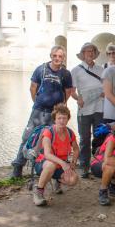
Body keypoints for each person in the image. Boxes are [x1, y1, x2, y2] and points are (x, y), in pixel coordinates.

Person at [11, 45, 73, 178]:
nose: (57, 58)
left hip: (54, 115)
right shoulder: (41, 69)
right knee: (27, 137)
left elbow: (68, 91)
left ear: (63, 58)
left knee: (51, 140)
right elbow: (33, 87)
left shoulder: (65, 74)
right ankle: (18, 165)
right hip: (38, 111)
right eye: (55, 56)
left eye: (60, 56)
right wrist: (37, 101)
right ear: (51, 56)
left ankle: (43, 167)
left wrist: (60, 105)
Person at [33, 104, 79, 206]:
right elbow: (47, 154)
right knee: (51, 165)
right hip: (43, 163)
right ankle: (39, 191)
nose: (62, 121)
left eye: (64, 118)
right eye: (59, 118)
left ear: (68, 119)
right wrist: (63, 163)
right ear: (54, 119)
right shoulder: (49, 132)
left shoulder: (70, 133)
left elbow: (76, 149)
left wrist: (73, 162)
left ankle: (57, 180)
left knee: (73, 179)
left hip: (60, 165)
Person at [71, 42, 104, 178]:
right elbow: (72, 91)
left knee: (99, 137)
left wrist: (104, 92)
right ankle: (84, 166)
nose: (90, 53)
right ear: (83, 54)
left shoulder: (101, 69)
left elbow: (105, 86)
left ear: (95, 54)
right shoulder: (76, 70)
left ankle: (98, 165)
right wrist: (78, 98)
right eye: (87, 51)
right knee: (84, 138)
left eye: (92, 51)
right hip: (84, 109)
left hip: (99, 108)